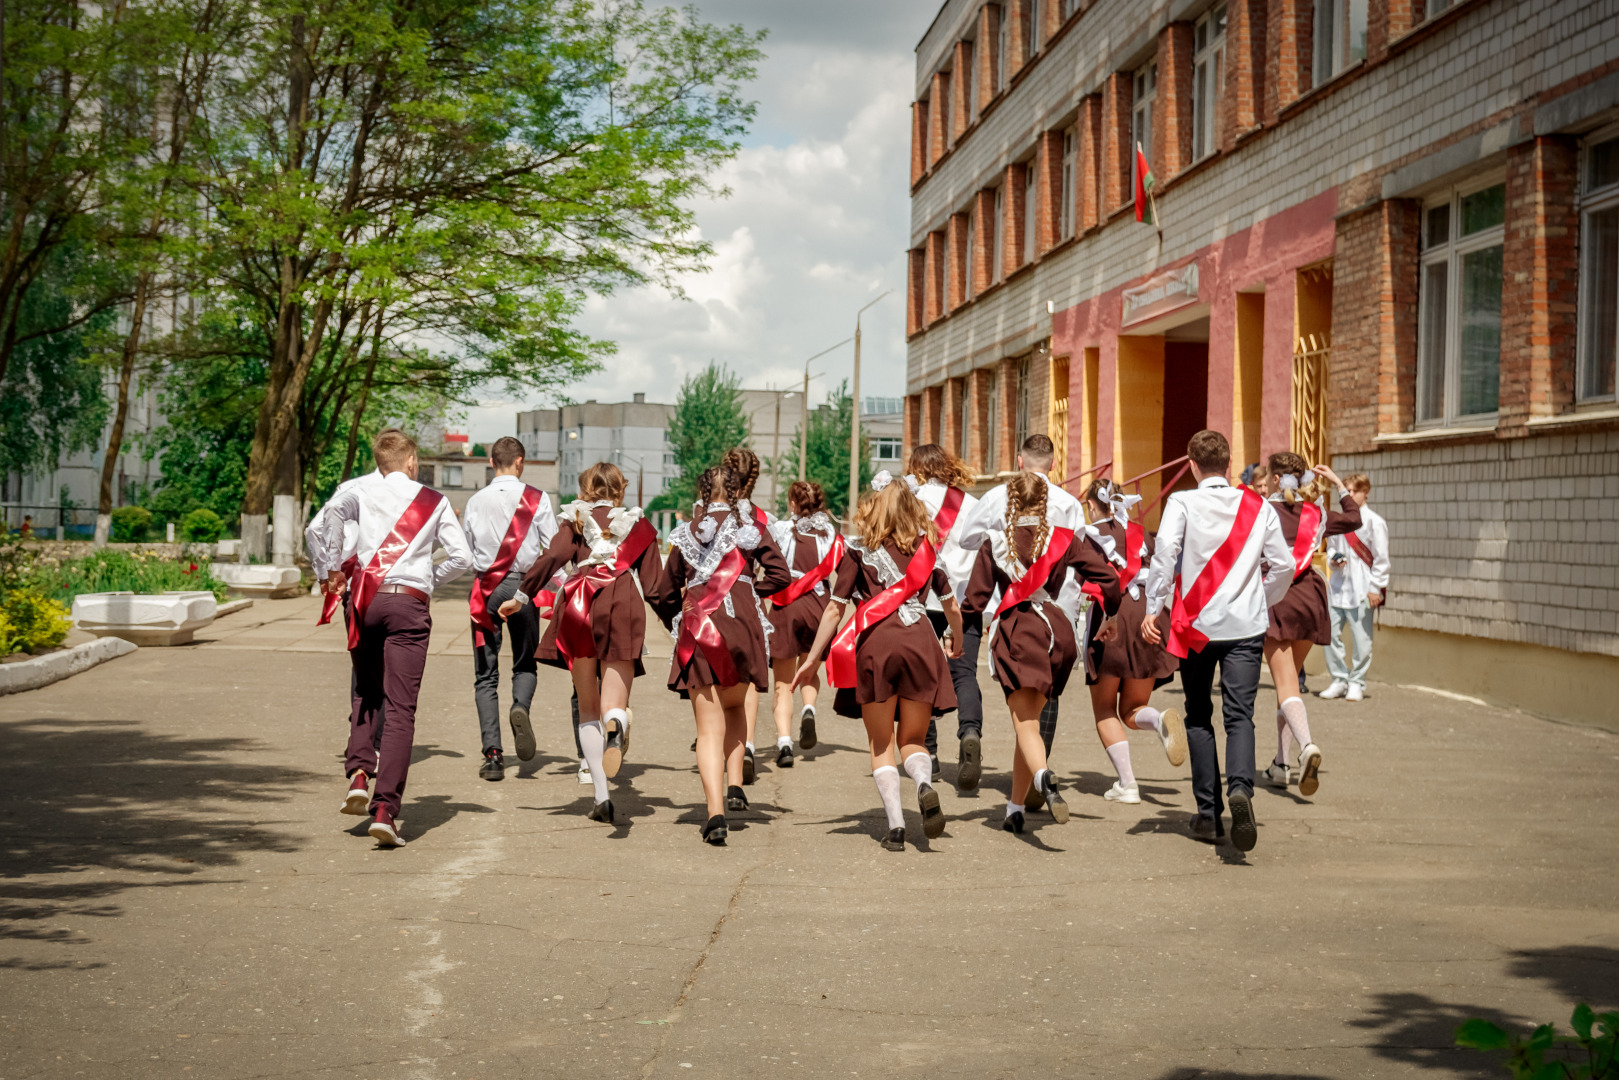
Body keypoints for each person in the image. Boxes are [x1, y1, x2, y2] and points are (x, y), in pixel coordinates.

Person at [307, 428, 474, 847]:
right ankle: (385, 810)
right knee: (401, 710)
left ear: (380, 462)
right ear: (412, 462)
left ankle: (359, 775)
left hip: (364, 600)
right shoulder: (432, 500)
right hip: (408, 603)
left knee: (365, 691)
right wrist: (425, 580)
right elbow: (462, 557)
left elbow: (323, 523)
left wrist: (330, 571)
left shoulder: (358, 492)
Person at [792, 473, 964, 852]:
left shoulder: (857, 551)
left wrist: (813, 659)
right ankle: (923, 784)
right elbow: (951, 604)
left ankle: (897, 826)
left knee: (881, 741)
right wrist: (958, 638)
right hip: (921, 641)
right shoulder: (927, 548)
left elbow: (835, 609)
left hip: (877, 646)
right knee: (914, 739)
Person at [1142, 430, 1292, 853]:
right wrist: (1258, 601)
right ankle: (1241, 790)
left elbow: (1165, 551)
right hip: (1245, 628)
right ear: (1229, 465)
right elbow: (1283, 564)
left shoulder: (1183, 502)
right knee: (1240, 715)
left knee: (1198, 715)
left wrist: (1154, 607)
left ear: (1191, 464)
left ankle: (1208, 814)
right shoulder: (1259, 505)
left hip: (1196, 627)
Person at [964, 472, 1121, 834]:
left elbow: (974, 599)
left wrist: (957, 635)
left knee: (1026, 726)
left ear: (1011, 502)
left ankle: (1045, 778)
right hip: (1058, 634)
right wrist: (1110, 615)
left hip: (1019, 635)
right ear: (1045, 503)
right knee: (1029, 724)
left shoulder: (996, 541)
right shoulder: (1063, 539)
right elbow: (1109, 579)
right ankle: (1015, 808)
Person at [507, 462, 662, 825]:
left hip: (579, 605)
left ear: (586, 487)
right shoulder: (638, 525)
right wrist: (677, 617)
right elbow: (655, 587)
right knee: (613, 704)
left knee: (587, 707)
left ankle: (601, 795)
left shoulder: (574, 519)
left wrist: (522, 595)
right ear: (620, 489)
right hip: (622, 603)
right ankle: (617, 726)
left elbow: (553, 558)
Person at [650, 465, 791, 845]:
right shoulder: (750, 528)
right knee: (736, 711)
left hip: (700, 631)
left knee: (708, 730)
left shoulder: (686, 533)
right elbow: (781, 575)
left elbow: (663, 592)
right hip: (743, 627)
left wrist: (675, 620)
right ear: (735, 491)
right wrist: (748, 591)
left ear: (701, 491)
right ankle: (734, 785)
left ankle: (715, 815)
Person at [954, 433, 1086, 798]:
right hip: (1060, 611)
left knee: (1020, 702)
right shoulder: (1070, 503)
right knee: (1047, 699)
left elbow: (966, 539)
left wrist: (999, 540)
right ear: (1054, 465)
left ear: (1018, 460)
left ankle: (1034, 776)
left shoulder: (998, 496)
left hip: (1012, 611)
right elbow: (1084, 554)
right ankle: (1031, 780)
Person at [1256, 452, 1359, 799]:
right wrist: (1338, 484)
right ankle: (1280, 764)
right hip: (1311, 597)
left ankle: (1307, 746)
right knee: (1291, 688)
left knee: (1285, 686)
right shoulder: (1316, 514)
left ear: (1272, 479)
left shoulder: (1259, 512)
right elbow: (1354, 518)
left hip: (1277, 598)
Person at [1080, 480, 1187, 805]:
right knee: (1132, 708)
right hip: (1149, 618)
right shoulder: (1144, 533)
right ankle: (1156, 720)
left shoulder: (1088, 535)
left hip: (1112, 616)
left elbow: (1077, 582)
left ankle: (1128, 784)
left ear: (1091, 505)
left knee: (1104, 708)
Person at [461, 436, 557, 781]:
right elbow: (554, 552)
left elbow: (467, 552)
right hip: (524, 587)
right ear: (520, 461)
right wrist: (561, 590)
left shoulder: (474, 501)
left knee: (485, 675)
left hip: (486, 590)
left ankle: (493, 756)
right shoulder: (538, 498)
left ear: (491, 462)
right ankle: (520, 706)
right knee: (525, 663)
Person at [904, 444, 982, 787]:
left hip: (923, 600)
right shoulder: (974, 505)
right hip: (964, 602)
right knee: (964, 674)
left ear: (916, 468)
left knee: (922, 679)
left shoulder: (911, 500)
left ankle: (930, 754)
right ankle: (970, 733)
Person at [766, 480, 840, 765]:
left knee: (783, 682)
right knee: (808, 668)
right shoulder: (829, 533)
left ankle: (784, 742)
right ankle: (809, 708)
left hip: (787, 604)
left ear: (793, 504)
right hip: (819, 606)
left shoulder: (782, 529)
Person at [721, 446, 783, 784]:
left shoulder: (705, 512)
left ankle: (719, 744)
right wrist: (752, 591)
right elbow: (778, 571)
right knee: (747, 685)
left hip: (711, 605)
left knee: (714, 681)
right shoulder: (762, 519)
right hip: (749, 607)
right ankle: (747, 747)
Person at [1322, 473, 1389, 703]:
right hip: (1339, 586)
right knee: (1330, 635)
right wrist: (1335, 558)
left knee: (1362, 639)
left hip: (1363, 587)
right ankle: (1339, 679)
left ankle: (1357, 682)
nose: (1349, 495)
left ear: (1365, 493)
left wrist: (1376, 588)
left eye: (1353, 491)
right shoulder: (1340, 520)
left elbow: (1381, 559)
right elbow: (1331, 548)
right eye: (1346, 491)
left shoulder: (1374, 522)